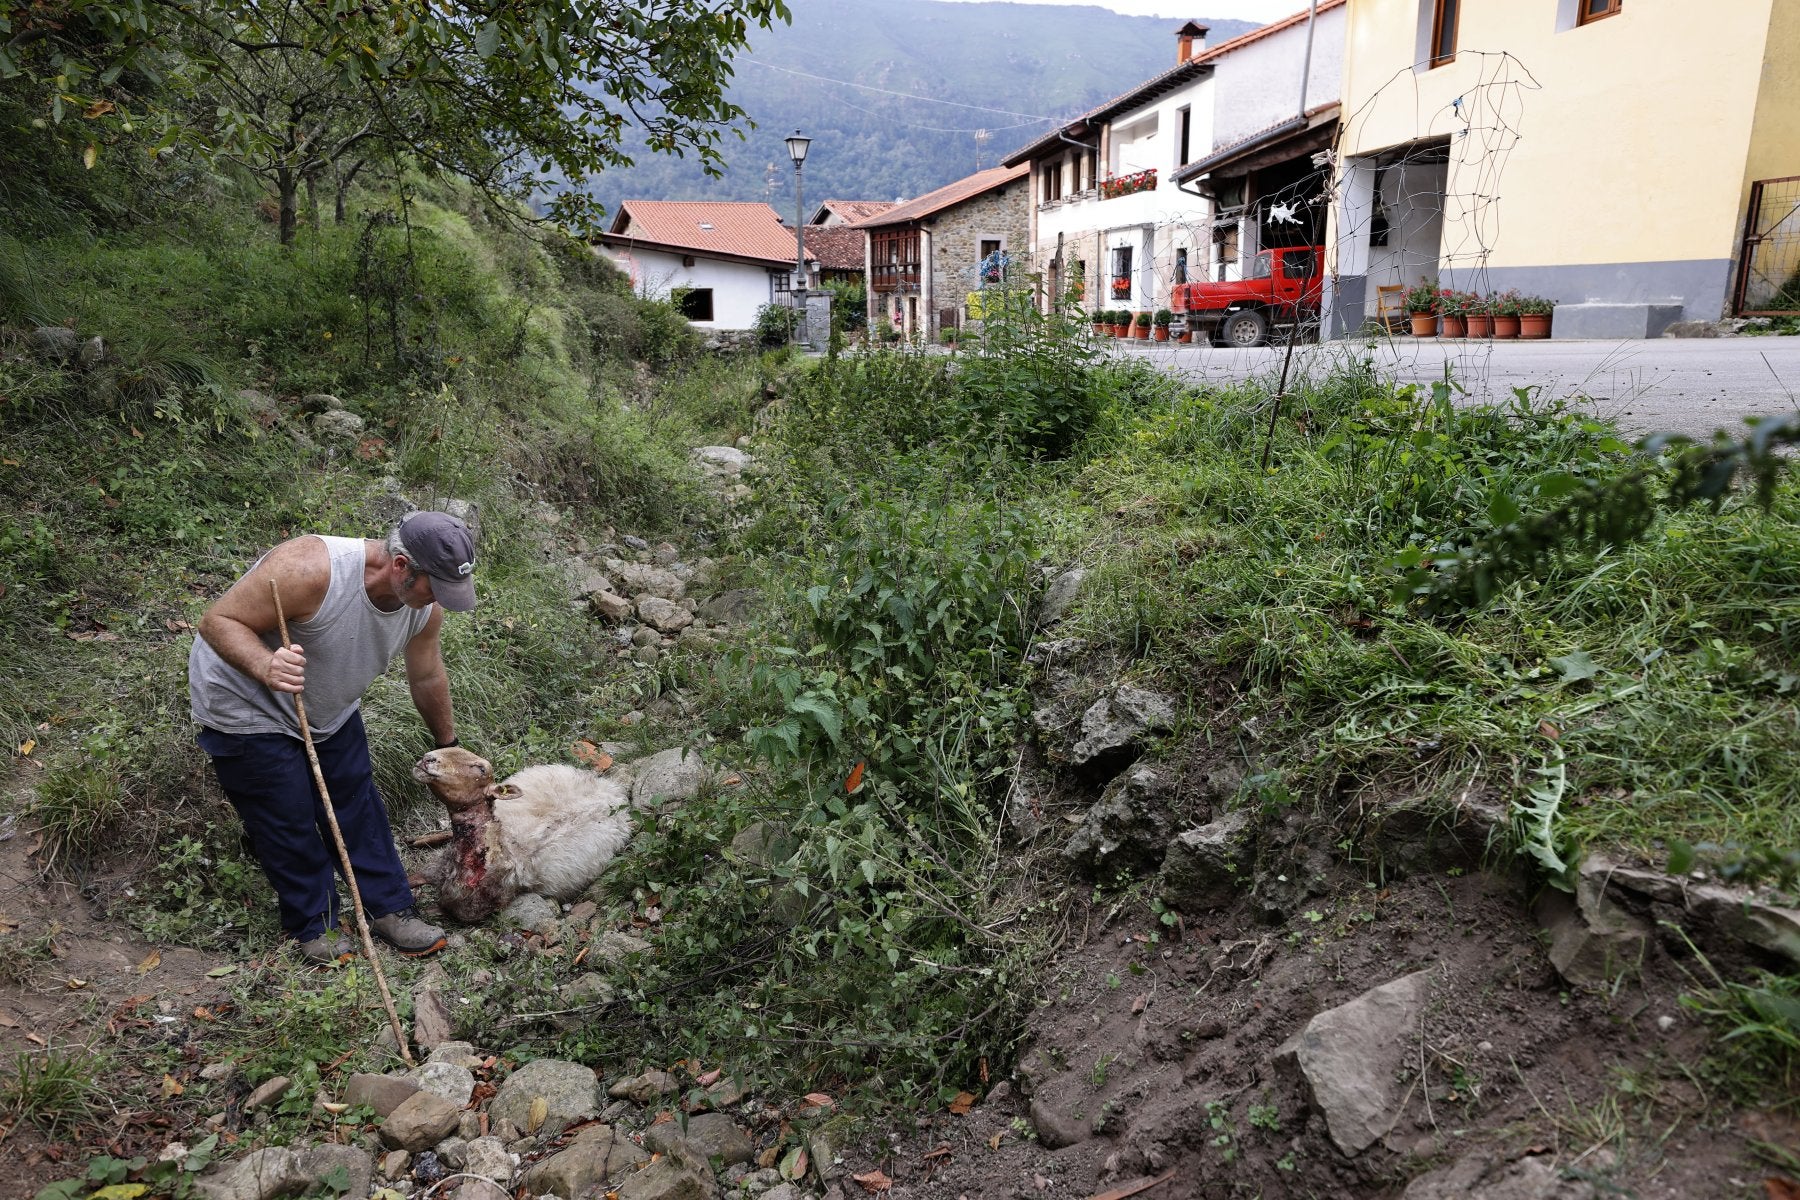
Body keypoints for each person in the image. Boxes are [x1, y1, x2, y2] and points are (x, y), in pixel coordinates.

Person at [188, 511, 478, 964]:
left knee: (357, 803)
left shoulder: (422, 608)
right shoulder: (309, 570)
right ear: (402, 566)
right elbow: (217, 621)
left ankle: (389, 909)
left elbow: (426, 676)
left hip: (328, 708)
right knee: (289, 815)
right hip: (246, 706)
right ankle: (315, 924)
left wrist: (448, 740)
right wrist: (266, 666)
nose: (437, 600)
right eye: (435, 588)